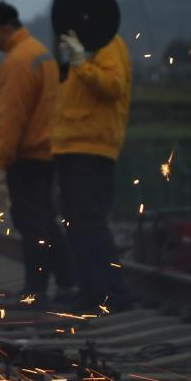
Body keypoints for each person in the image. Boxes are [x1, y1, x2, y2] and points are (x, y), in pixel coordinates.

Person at [0, 1, 75, 306]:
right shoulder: (42, 54)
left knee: (33, 225)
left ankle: (36, 290)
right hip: (46, 153)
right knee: (47, 221)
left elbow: (12, 118)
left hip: (25, 156)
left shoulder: (18, 61)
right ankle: (67, 284)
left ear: (5, 28)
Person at [53, 26, 133, 312]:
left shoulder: (108, 44)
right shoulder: (81, 54)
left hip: (93, 149)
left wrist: (81, 64)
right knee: (76, 225)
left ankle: (113, 294)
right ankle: (90, 293)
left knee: (90, 223)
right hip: (71, 149)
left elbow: (113, 86)